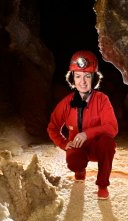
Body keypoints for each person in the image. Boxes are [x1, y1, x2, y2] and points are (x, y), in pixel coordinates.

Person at [47, 50, 118, 200]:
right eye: (78, 76)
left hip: (97, 147)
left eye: (87, 76)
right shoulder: (66, 102)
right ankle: (79, 170)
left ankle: (102, 185)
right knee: (74, 160)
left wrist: (87, 133)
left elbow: (112, 127)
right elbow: (52, 127)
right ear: (72, 78)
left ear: (94, 78)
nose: (83, 81)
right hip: (78, 149)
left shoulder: (102, 100)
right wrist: (64, 144)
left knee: (108, 143)